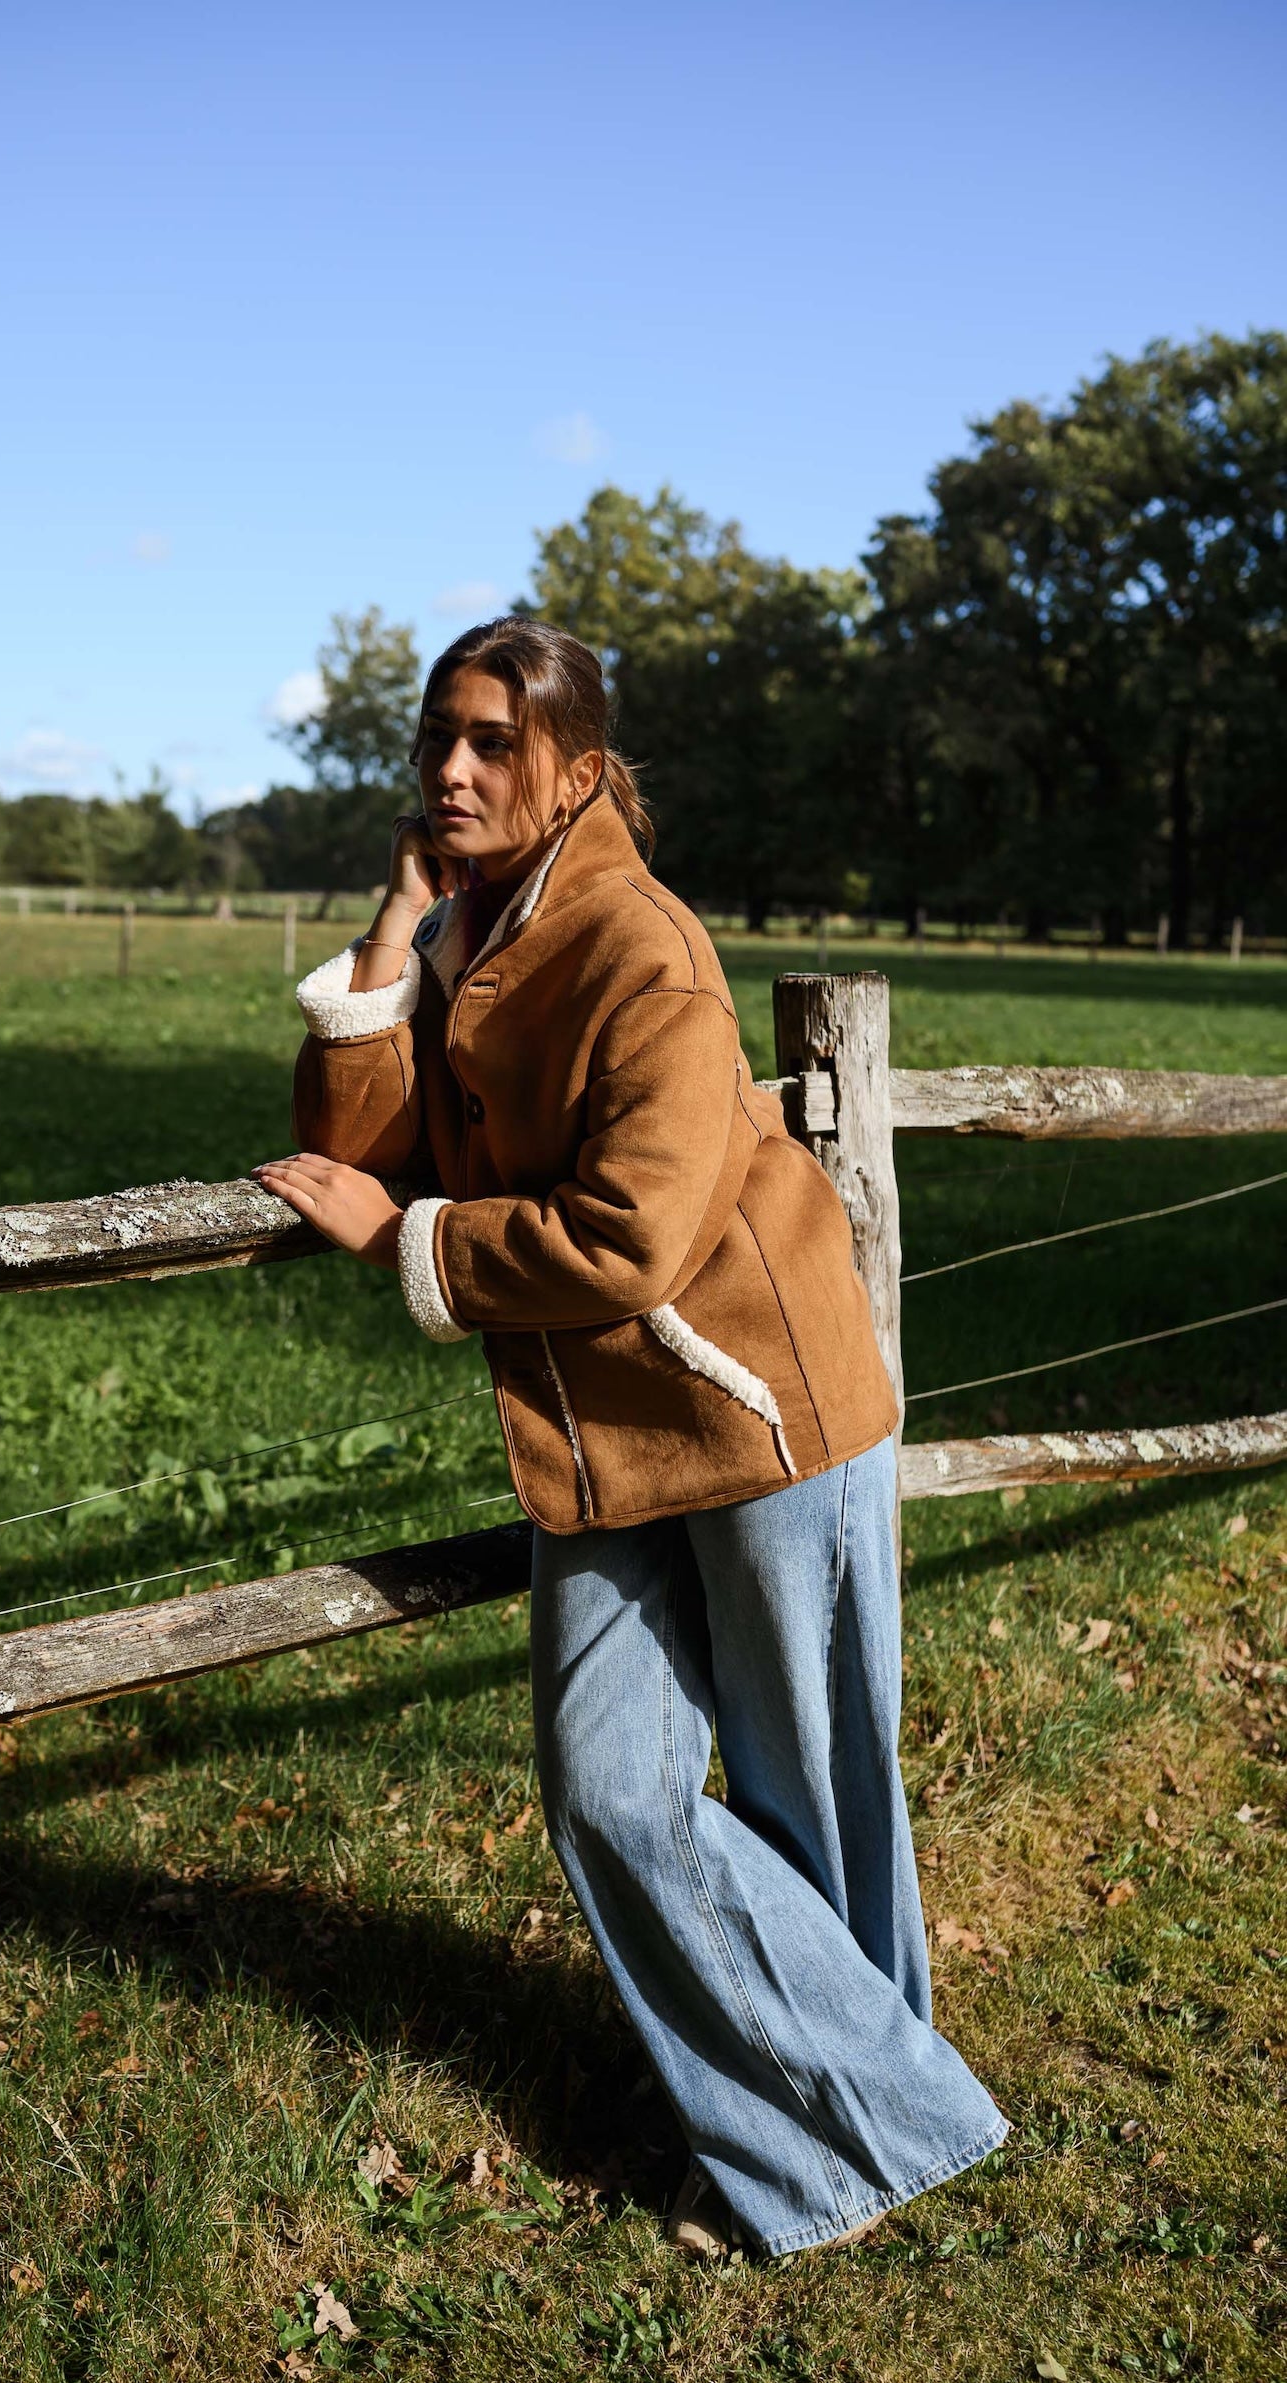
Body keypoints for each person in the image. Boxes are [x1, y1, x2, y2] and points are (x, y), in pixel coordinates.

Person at [254, 616, 1005, 2260]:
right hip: (601, 1433)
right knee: (612, 1790)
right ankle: (884, 2118)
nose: (449, 769)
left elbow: (635, 1236)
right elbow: (351, 1139)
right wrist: (394, 923)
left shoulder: (639, 946)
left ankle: (843, 2142)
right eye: (433, 738)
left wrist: (414, 1239)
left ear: (575, 773)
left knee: (815, 1793)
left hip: (759, 1405)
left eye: (489, 745)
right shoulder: (472, 921)